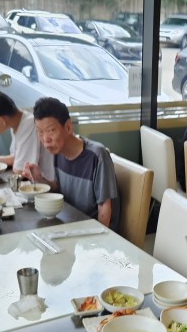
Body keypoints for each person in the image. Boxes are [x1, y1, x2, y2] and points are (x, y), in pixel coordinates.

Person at [23, 97, 120, 231]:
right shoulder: (57, 152)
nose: (45, 139)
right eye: (40, 132)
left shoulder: (96, 155)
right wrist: (39, 179)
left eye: (51, 130)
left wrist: (98, 239)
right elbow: (58, 190)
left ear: (68, 127)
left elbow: (104, 209)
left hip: (90, 231)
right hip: (69, 224)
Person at [0, 88, 55, 182]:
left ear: (0, 120)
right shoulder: (18, 123)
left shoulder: (29, 125)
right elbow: (17, 158)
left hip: (48, 185)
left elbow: (21, 170)